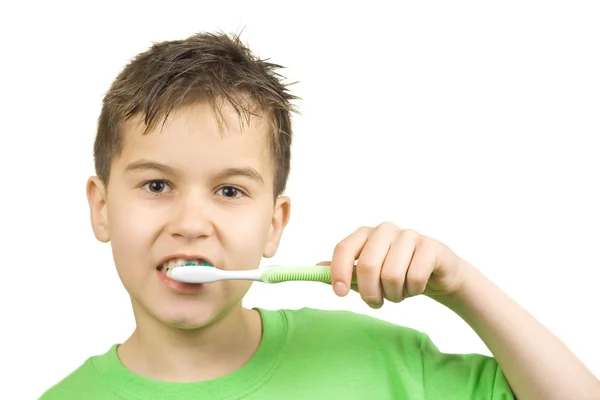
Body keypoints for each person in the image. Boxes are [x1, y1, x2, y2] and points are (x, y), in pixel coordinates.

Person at [39, 31, 599, 400]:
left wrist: (461, 286)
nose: (191, 222)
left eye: (230, 191)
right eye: (157, 185)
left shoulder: (381, 361)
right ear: (102, 207)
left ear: (275, 224)